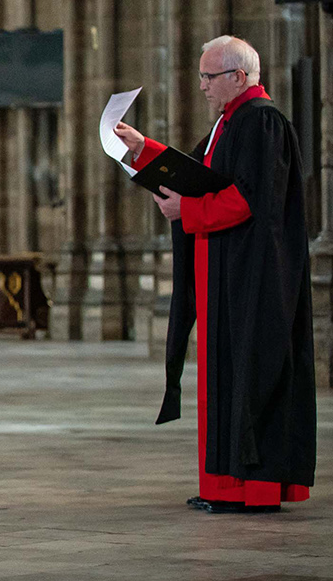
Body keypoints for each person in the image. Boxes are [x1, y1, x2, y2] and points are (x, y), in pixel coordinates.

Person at [113, 35, 316, 514]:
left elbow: (250, 198)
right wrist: (143, 150)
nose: (201, 86)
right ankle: (225, 485)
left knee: (254, 373)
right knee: (226, 375)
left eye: (209, 76)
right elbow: (197, 174)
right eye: (201, 76)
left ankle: (257, 490)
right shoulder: (231, 122)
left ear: (239, 77)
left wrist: (189, 210)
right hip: (228, 269)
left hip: (256, 275)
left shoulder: (261, 122)